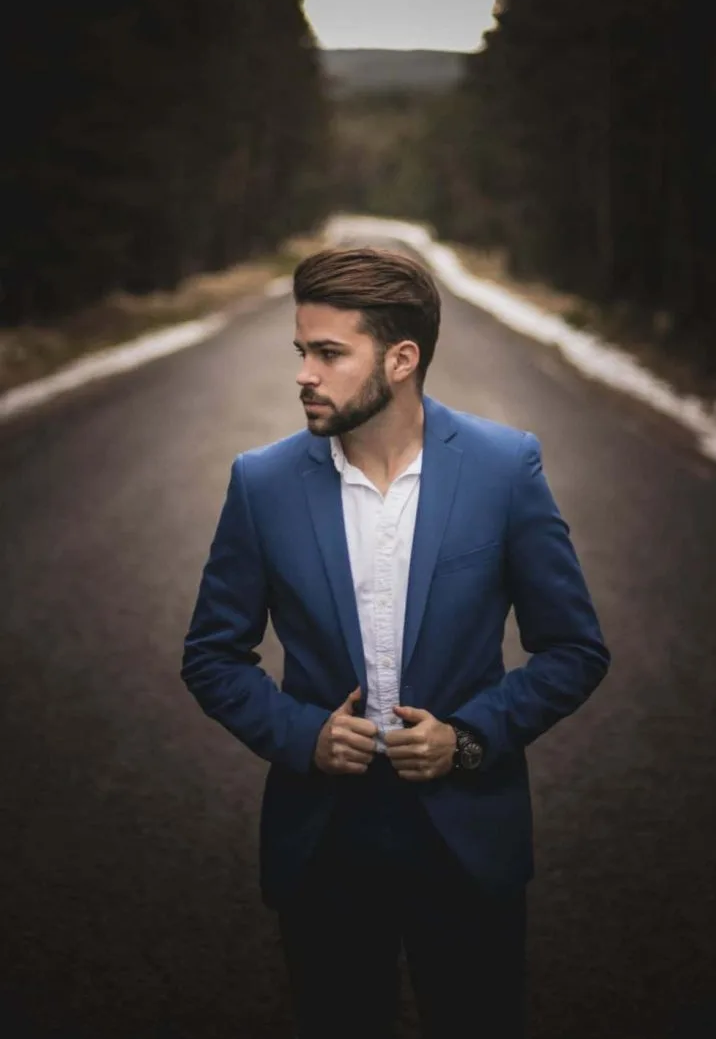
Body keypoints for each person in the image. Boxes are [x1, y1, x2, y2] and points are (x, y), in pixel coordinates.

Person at [181, 246, 610, 1039]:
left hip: (467, 837)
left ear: (402, 358)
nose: (304, 374)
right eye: (301, 351)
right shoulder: (262, 482)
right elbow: (211, 653)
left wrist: (470, 737)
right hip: (325, 845)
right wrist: (302, 735)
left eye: (329, 353)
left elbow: (574, 649)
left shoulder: (503, 467)